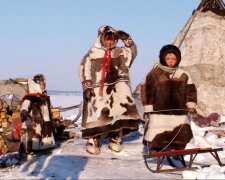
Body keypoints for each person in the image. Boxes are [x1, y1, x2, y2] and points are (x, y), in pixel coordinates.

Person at [79, 25, 140, 155]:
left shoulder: (120, 52)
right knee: (96, 114)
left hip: (117, 89)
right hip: (98, 90)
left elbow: (132, 53)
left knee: (117, 113)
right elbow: (84, 68)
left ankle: (115, 136)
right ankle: (94, 139)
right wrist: (87, 86)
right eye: (107, 39)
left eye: (113, 39)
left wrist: (127, 39)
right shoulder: (93, 53)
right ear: (101, 38)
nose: (110, 42)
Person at [141, 44, 197, 153]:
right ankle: (155, 148)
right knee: (158, 131)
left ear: (178, 59)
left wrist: (191, 105)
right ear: (162, 58)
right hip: (159, 110)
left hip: (179, 111)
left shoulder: (183, 74)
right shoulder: (154, 73)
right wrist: (148, 107)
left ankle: (176, 149)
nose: (171, 61)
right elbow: (147, 91)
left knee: (179, 132)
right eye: (168, 58)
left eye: (174, 59)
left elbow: (190, 91)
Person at [19, 74, 55, 155]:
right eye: (41, 84)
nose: (43, 86)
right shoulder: (30, 97)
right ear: (35, 85)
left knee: (45, 133)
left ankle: (45, 147)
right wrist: (24, 111)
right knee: (35, 134)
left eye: (44, 84)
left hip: (45, 120)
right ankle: (31, 148)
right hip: (34, 121)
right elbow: (25, 105)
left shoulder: (44, 97)